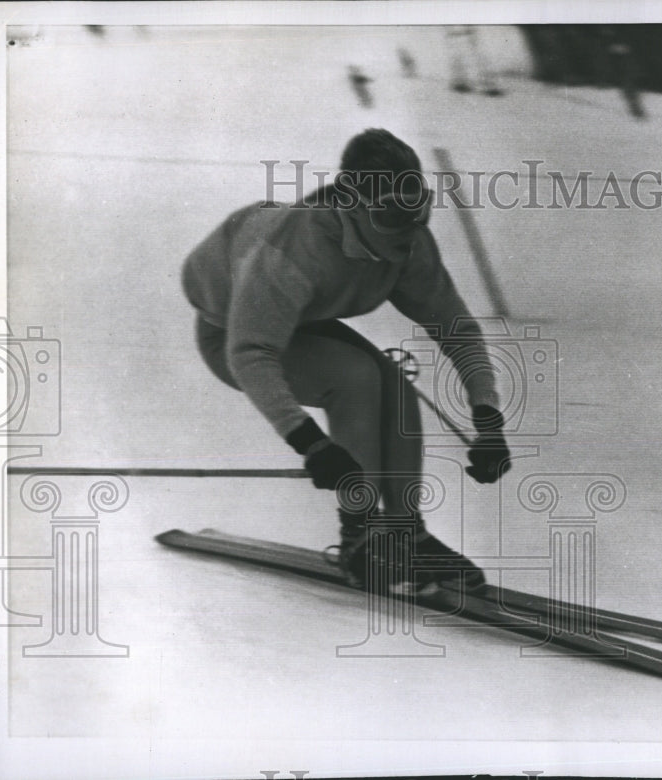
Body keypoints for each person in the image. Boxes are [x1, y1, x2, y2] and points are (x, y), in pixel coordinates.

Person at [181, 128, 511, 593]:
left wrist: (488, 418)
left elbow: (457, 329)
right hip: (231, 331)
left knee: (391, 382)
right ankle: (360, 539)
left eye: (418, 207)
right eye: (392, 214)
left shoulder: (407, 243)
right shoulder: (294, 251)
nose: (409, 227)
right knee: (354, 378)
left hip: (303, 320)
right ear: (352, 205)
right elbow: (250, 352)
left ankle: (404, 533)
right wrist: (310, 442)